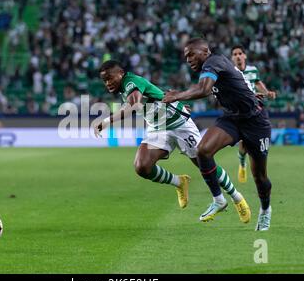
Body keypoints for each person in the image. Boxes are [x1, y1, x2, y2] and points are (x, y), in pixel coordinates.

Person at [94, 60, 250, 223]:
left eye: (110, 78)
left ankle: (237, 197)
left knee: (205, 164)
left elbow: (134, 104)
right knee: (142, 166)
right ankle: (179, 182)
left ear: (121, 73)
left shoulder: (131, 82)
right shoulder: (125, 87)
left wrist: (106, 122)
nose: (108, 83)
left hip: (179, 124)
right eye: (104, 81)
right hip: (158, 129)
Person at [163, 38, 273, 231]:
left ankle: (265, 211)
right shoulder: (215, 65)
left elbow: (204, 89)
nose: (188, 60)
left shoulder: (212, 62)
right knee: (203, 151)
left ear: (205, 51)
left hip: (256, 122)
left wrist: (176, 95)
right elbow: (236, 81)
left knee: (259, 177)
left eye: (191, 54)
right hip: (232, 118)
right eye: (185, 57)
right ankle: (219, 199)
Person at [231, 45, 276, 183]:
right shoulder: (230, 72)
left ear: (244, 56)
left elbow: (258, 83)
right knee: (243, 142)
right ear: (232, 58)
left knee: (253, 143)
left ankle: (253, 166)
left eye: (240, 53)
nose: (238, 56)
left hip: (255, 109)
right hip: (240, 110)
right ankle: (242, 163)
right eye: (235, 54)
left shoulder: (253, 70)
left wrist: (267, 93)